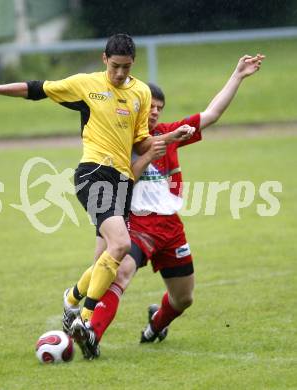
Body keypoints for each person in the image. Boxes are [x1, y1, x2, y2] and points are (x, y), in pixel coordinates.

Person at [0, 34, 193, 356]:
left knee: (108, 256)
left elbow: (141, 142)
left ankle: (72, 299)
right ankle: (84, 319)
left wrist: (169, 137)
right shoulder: (86, 84)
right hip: (93, 174)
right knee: (120, 245)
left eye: (125, 67)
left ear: (134, 64)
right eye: (114, 66)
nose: (118, 73)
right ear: (104, 60)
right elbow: (36, 88)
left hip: (123, 182)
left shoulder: (141, 92)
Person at [63, 53, 265, 359]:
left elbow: (210, 115)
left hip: (171, 227)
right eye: (150, 106)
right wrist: (147, 155)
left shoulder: (168, 134)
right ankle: (91, 334)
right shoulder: (120, 138)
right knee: (121, 273)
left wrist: (237, 74)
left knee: (183, 298)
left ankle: (155, 326)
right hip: (137, 224)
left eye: (160, 108)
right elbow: (119, 180)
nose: (155, 112)